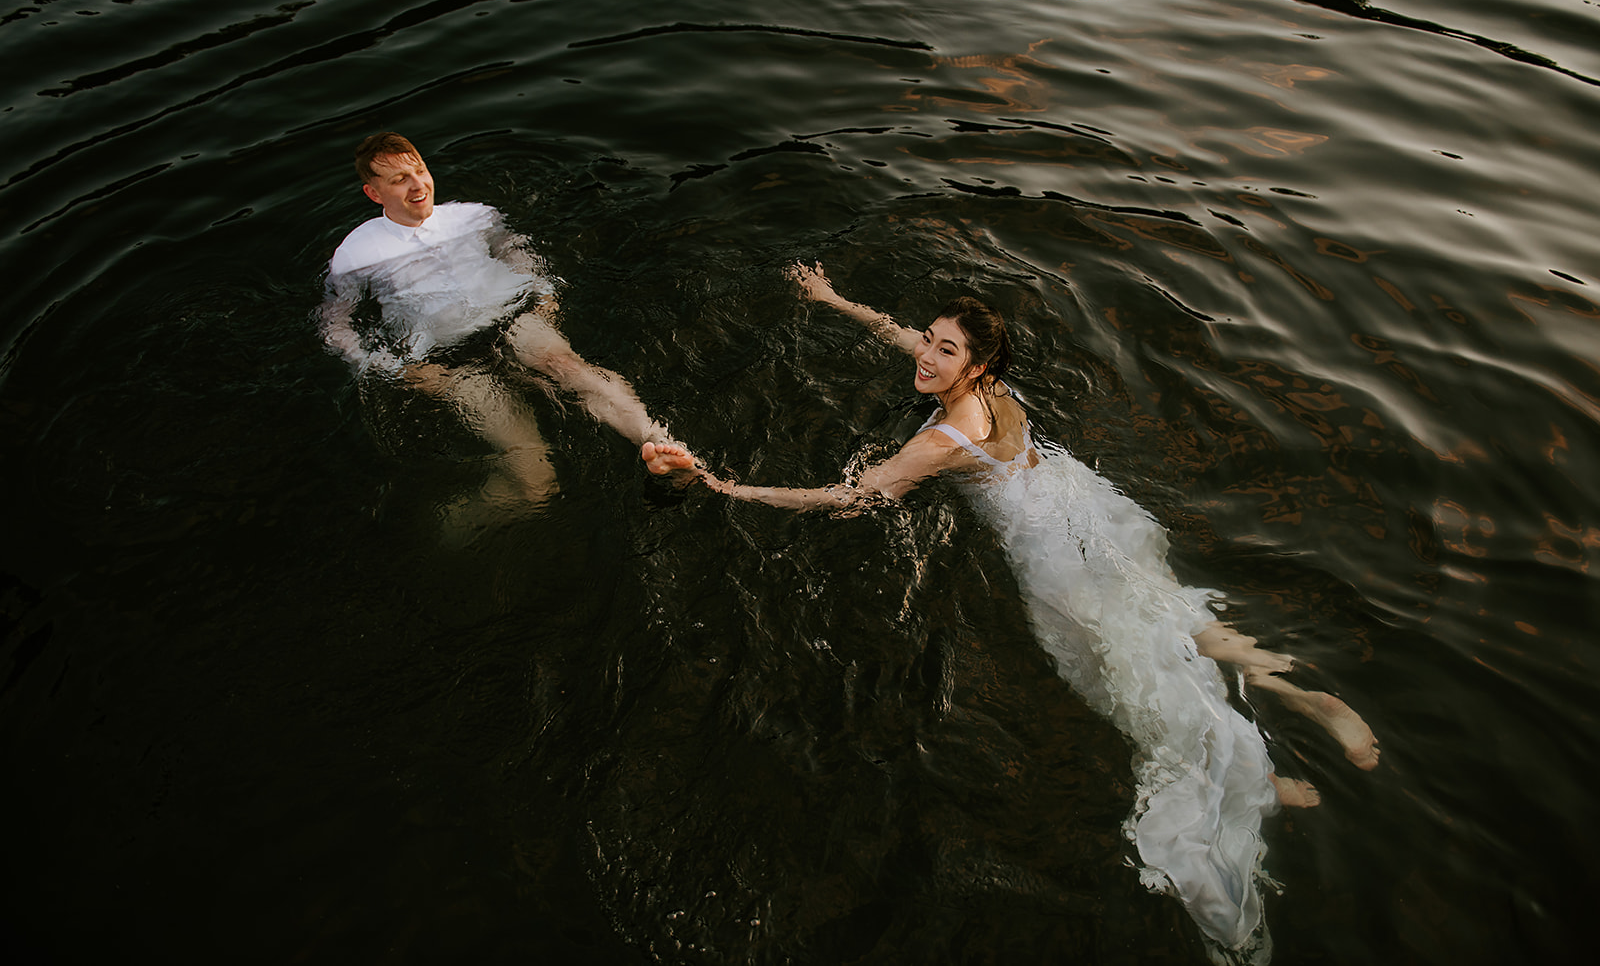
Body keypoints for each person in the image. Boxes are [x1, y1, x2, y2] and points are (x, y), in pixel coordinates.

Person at [644, 266, 1379, 954]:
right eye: (928, 339)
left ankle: (1245, 775)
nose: (926, 355)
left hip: (1054, 559)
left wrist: (725, 487)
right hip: (1091, 507)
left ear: (976, 365)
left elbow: (846, 500)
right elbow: (903, 337)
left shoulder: (941, 441)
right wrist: (834, 301)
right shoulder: (993, 392)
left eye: (944, 349)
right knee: (1178, 619)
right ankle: (1298, 697)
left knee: (1126, 682)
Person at [321, 132, 684, 526]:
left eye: (420, 171)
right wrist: (391, 368)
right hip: (447, 358)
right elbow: (335, 325)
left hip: (512, 316)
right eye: (399, 180)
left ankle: (661, 446)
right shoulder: (356, 255)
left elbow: (515, 248)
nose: (417, 185)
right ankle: (452, 523)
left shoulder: (474, 216)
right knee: (535, 476)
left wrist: (544, 291)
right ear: (374, 193)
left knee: (568, 368)